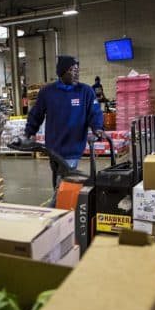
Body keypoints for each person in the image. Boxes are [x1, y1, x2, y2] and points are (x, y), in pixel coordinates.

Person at [25, 55, 104, 205]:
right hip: (53, 147)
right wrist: (29, 133)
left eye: (77, 70)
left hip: (73, 146)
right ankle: (61, 204)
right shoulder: (48, 92)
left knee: (62, 182)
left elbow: (94, 113)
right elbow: (36, 114)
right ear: (62, 72)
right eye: (72, 70)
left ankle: (54, 213)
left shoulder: (85, 91)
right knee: (57, 178)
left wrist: (97, 128)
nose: (76, 73)